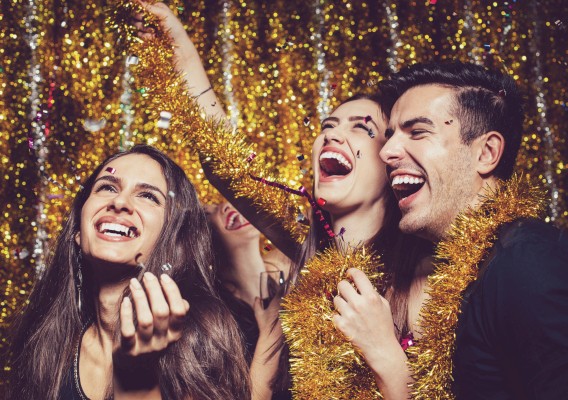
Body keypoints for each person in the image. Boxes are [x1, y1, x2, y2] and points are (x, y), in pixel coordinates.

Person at [133, 3, 432, 399]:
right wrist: (176, 40)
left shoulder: (423, 277)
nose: (333, 135)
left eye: (363, 128)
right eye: (328, 125)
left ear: (390, 156)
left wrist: (385, 352)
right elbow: (227, 164)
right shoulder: (314, 250)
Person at [365, 61, 568, 399]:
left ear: (486, 153)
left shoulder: (528, 259)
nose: (386, 152)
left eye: (417, 132)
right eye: (390, 136)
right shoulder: (462, 271)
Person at [6, 145, 251, 399]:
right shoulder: (48, 342)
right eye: (107, 187)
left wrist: (135, 380)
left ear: (173, 236)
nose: (120, 202)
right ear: (78, 232)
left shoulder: (201, 338)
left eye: (148, 196)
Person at [206, 201, 291, 400]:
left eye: (230, 200)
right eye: (209, 212)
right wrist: (271, 332)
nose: (226, 204)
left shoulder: (290, 279)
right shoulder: (214, 320)